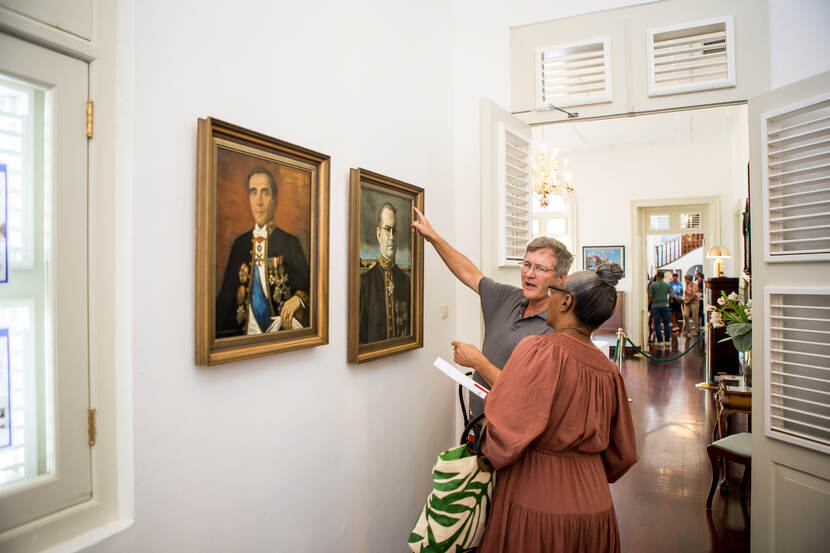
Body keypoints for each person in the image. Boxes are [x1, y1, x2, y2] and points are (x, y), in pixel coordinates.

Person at [478, 262, 638, 553]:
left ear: (566, 301)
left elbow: (505, 432)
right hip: (597, 506)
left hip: (537, 501)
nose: (547, 298)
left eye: (552, 291)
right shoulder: (608, 370)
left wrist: (483, 454)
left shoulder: (539, 350)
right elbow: (624, 452)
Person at [411, 207, 573, 418]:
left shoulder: (559, 328)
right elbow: (470, 274)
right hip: (479, 423)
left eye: (540, 269)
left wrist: (478, 361)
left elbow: (526, 394)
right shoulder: (508, 297)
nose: (529, 274)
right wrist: (433, 238)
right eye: (526, 265)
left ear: (561, 277)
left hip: (514, 434)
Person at [215, 167, 310, 337]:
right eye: (253, 192)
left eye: (265, 193)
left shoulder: (290, 243)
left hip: (279, 334)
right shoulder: (240, 245)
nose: (258, 201)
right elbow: (225, 301)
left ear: (275, 200)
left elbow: (309, 285)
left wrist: (299, 299)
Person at [359, 202, 411, 344]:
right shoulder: (365, 282)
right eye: (387, 229)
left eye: (394, 231)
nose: (391, 237)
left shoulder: (405, 281)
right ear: (378, 233)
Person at [648, 271, 672, 350]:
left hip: (655, 306)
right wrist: (668, 301)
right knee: (666, 323)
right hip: (665, 306)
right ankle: (667, 341)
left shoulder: (653, 285)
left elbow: (650, 296)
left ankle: (660, 341)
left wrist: (648, 305)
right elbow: (671, 295)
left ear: (657, 276)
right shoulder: (666, 285)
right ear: (663, 276)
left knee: (657, 324)